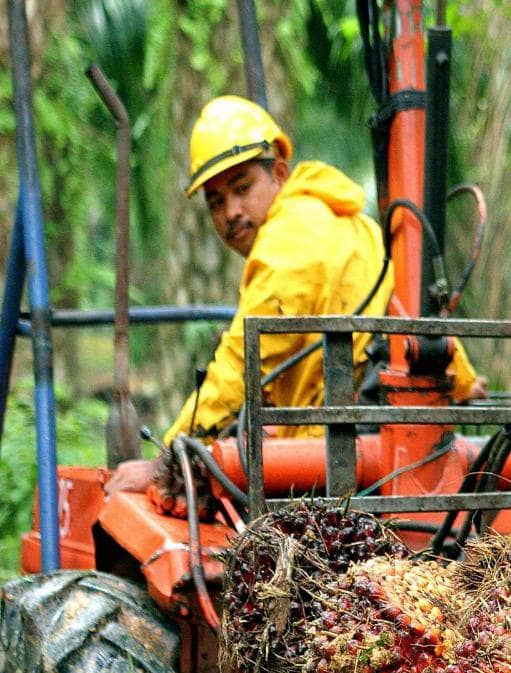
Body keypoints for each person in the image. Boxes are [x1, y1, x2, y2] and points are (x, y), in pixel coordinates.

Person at [108, 96, 483, 492]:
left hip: (344, 459)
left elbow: (238, 366)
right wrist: (463, 379)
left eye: (242, 187)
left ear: (280, 174)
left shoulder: (286, 246)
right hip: (377, 438)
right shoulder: (347, 221)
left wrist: (167, 460)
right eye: (216, 201)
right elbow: (407, 306)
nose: (231, 211)